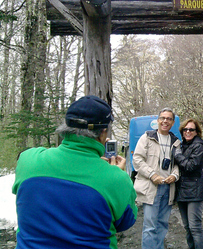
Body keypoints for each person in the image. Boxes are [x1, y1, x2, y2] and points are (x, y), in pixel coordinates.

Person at [12, 95, 137, 249]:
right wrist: (115, 174)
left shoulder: (28, 160)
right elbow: (126, 222)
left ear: (66, 126)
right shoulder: (117, 178)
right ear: (103, 132)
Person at [133, 108, 181, 249]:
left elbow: (178, 164)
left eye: (169, 119)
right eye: (163, 118)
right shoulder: (147, 138)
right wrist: (152, 175)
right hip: (151, 187)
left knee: (162, 224)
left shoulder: (176, 142)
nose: (165, 121)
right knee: (150, 226)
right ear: (158, 120)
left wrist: (174, 175)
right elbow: (137, 159)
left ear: (172, 123)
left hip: (168, 188)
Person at [174, 118, 203, 249]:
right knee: (187, 227)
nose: (188, 131)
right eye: (185, 129)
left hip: (195, 191)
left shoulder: (199, 146)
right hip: (182, 191)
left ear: (196, 132)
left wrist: (178, 156)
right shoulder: (183, 145)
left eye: (191, 129)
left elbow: (190, 166)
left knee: (195, 227)